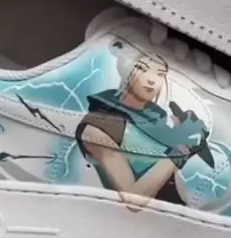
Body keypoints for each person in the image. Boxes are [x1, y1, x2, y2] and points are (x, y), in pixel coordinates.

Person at [76, 46, 212, 205]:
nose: (152, 80)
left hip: (176, 206)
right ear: (125, 69)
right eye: (142, 69)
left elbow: (165, 171)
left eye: (160, 74)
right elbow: (133, 198)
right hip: (143, 214)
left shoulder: (156, 119)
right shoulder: (100, 126)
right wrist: (180, 151)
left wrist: (183, 135)